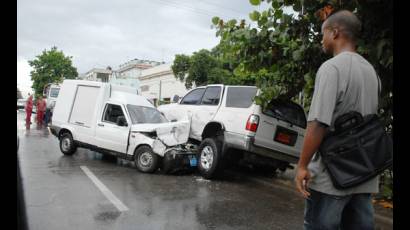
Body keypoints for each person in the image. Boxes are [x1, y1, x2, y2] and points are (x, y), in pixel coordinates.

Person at [294, 10, 380, 230]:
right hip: (363, 174)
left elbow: (318, 123)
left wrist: (302, 166)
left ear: (335, 33)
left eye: (322, 34)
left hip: (331, 177)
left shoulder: (331, 68)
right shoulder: (371, 71)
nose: (321, 40)